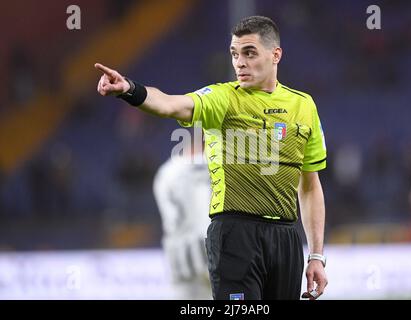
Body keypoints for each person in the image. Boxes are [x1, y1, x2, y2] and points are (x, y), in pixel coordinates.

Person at [95, 15, 328, 300]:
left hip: (286, 237)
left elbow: (309, 186)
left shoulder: (303, 106)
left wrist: (316, 254)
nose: (239, 62)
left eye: (249, 53)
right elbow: (170, 104)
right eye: (234, 54)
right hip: (235, 234)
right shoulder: (222, 98)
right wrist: (131, 90)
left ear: (275, 54)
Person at [153, 139, 212, 300]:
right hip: (216, 249)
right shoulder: (224, 166)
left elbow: (170, 219)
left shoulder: (166, 171)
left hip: (180, 253)